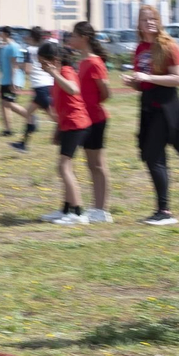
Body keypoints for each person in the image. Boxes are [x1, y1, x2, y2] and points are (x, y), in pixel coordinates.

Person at [120, 5, 179, 226]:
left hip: (166, 106)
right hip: (148, 104)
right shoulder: (140, 48)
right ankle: (162, 209)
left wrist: (147, 78)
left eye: (153, 18)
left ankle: (165, 211)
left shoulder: (168, 45)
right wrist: (135, 82)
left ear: (159, 21)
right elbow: (143, 84)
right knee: (151, 156)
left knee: (154, 155)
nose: (149, 22)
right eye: (144, 19)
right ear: (138, 24)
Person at [36, 41, 92, 226]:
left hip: (77, 125)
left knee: (63, 167)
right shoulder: (58, 75)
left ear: (55, 60)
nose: (42, 67)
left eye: (44, 63)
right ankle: (66, 210)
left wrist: (54, 73)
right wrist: (57, 128)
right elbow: (61, 106)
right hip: (68, 125)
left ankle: (78, 213)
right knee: (65, 168)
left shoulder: (66, 72)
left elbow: (74, 89)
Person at [66, 22, 114, 222]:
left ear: (84, 37)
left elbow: (106, 92)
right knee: (91, 165)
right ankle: (97, 208)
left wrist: (92, 105)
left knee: (98, 164)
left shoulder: (94, 62)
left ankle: (102, 210)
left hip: (96, 119)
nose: (70, 39)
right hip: (85, 119)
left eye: (73, 35)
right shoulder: (82, 61)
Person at [9, 29, 53, 153]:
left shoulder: (30, 50)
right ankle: (23, 144)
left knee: (56, 118)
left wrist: (18, 65)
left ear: (32, 37)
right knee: (28, 114)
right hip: (48, 84)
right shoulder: (45, 48)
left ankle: (79, 135)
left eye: (29, 35)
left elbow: (28, 70)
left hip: (40, 87)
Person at [0, 28, 28, 137]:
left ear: (5, 34)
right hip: (4, 80)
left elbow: (15, 65)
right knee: (4, 105)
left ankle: (30, 116)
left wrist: (13, 82)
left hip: (12, 80)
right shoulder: (4, 47)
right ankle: (8, 130)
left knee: (9, 103)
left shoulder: (14, 47)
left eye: (0, 33)